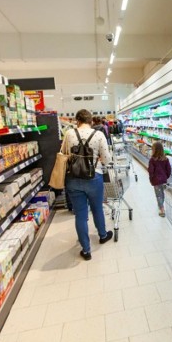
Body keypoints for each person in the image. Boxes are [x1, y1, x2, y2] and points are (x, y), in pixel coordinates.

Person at [63, 109, 114, 260]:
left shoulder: (69, 134)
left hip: (73, 178)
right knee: (97, 208)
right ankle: (103, 235)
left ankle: (86, 250)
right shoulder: (98, 135)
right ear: (91, 121)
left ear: (77, 121)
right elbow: (106, 159)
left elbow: (65, 154)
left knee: (80, 215)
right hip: (94, 177)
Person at [147, 142, 171, 217]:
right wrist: (166, 176)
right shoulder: (166, 159)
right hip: (164, 180)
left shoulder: (152, 160)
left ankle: (162, 209)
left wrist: (151, 179)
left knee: (158, 195)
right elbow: (169, 170)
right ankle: (161, 206)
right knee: (162, 194)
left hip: (156, 181)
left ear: (154, 150)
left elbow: (151, 171)